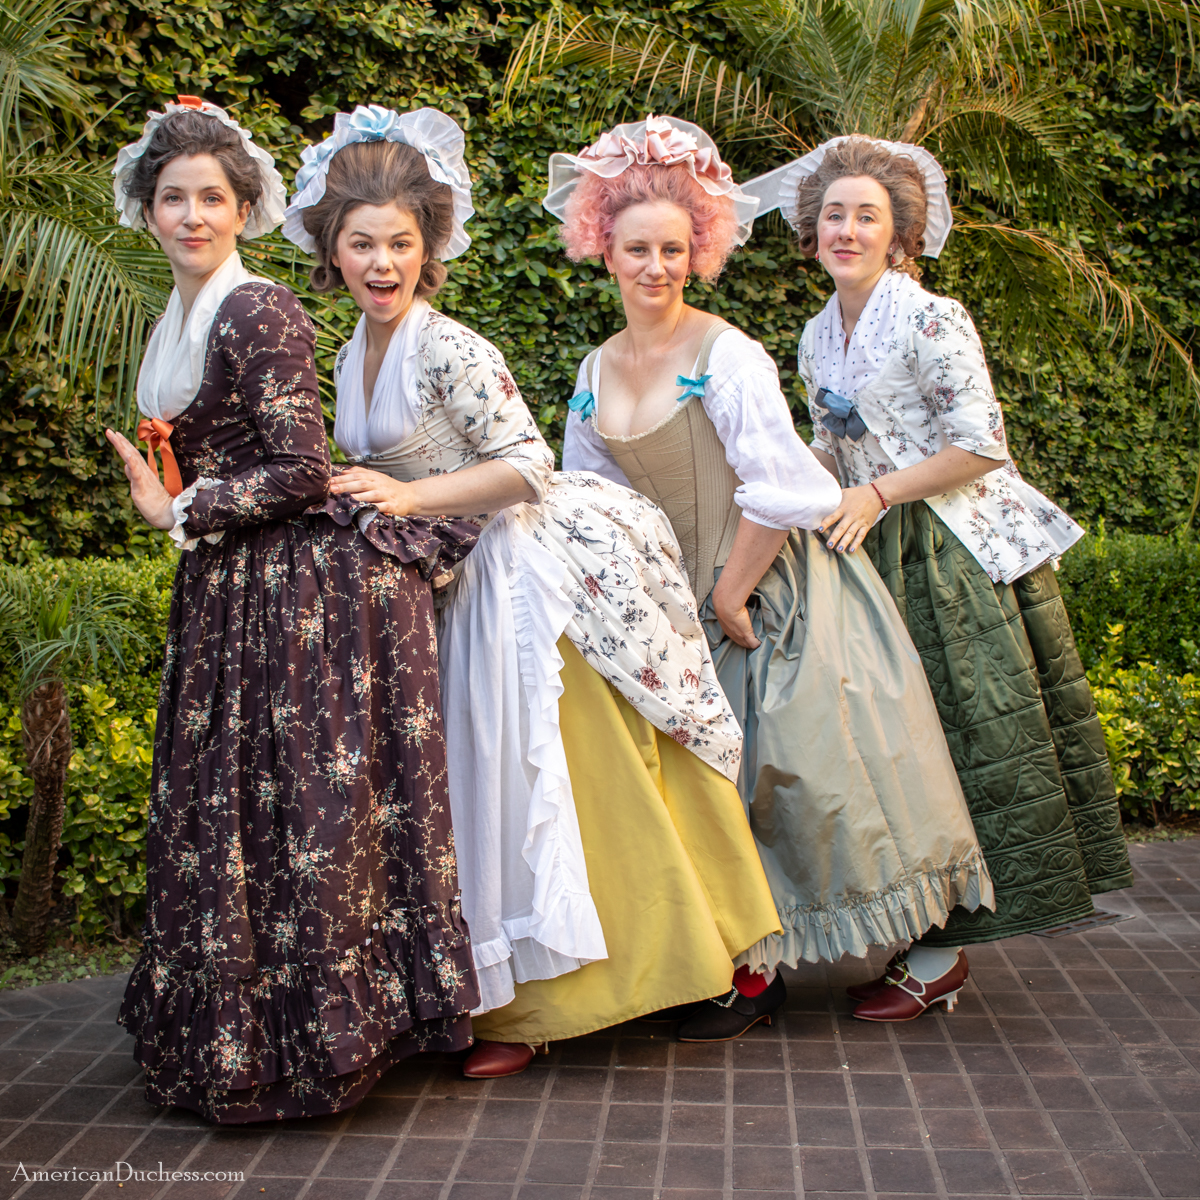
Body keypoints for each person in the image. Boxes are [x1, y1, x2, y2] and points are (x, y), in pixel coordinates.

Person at [281, 106, 781, 1077]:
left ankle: (543, 1007)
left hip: (511, 579)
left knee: (531, 778)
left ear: (428, 250)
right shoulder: (345, 356)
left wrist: (409, 495)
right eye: (363, 244)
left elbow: (526, 463)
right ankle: (490, 994)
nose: (383, 263)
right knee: (467, 790)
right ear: (332, 251)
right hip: (434, 589)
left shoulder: (450, 347)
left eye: (401, 243)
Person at [555, 116, 993, 1038]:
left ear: (699, 252)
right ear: (603, 249)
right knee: (702, 786)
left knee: (803, 781)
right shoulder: (595, 369)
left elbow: (783, 487)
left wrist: (728, 591)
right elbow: (594, 504)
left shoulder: (727, 354)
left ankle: (831, 963)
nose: (656, 267)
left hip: (767, 587)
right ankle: (737, 967)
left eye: (674, 250)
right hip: (678, 602)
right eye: (637, 249)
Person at [106, 98, 478, 1122]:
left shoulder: (257, 308)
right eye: (172, 198)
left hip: (296, 592)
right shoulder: (178, 316)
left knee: (289, 808)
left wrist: (183, 508)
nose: (191, 215)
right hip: (231, 583)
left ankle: (312, 1044)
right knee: (231, 806)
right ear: (147, 210)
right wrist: (180, 502)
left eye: (210, 198)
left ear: (244, 209)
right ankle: (250, 1035)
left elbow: (301, 467)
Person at [742, 135, 1133, 1019]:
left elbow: (981, 446)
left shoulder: (931, 318)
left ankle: (946, 951)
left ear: (899, 234)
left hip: (951, 552)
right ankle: (919, 922)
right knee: (895, 748)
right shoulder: (815, 333)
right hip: (866, 546)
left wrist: (878, 492)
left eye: (866, 217)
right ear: (811, 230)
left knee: (964, 738)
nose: (847, 230)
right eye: (833, 215)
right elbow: (831, 447)